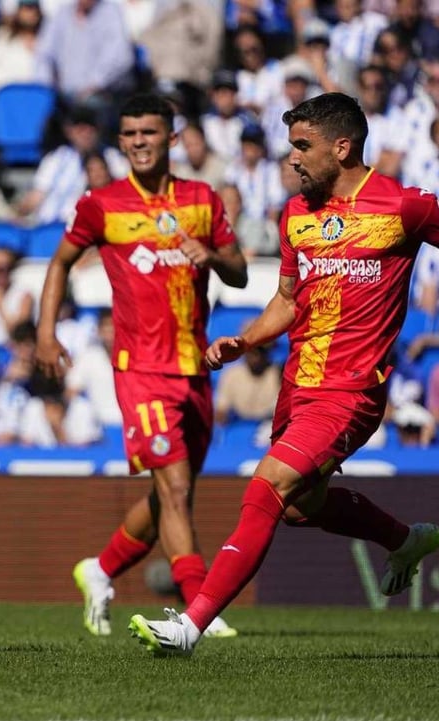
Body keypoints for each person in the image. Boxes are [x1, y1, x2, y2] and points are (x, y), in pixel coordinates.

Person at [130, 92, 439, 656]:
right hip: (298, 385)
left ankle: (189, 627)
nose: (292, 158)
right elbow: (289, 299)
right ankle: (407, 539)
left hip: (352, 391)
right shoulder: (297, 212)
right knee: (300, 508)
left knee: (267, 485)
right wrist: (246, 337)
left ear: (342, 148)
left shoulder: (403, 207)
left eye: (303, 146)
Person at [36, 94, 249, 640]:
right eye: (129, 133)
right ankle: (202, 608)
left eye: (149, 133)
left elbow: (241, 273)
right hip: (140, 369)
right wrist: (45, 331)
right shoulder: (101, 204)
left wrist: (214, 256)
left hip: (196, 368)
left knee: (168, 496)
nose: (137, 142)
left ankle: (100, 570)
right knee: (175, 489)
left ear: (172, 139)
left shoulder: (202, 199)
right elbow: (59, 263)